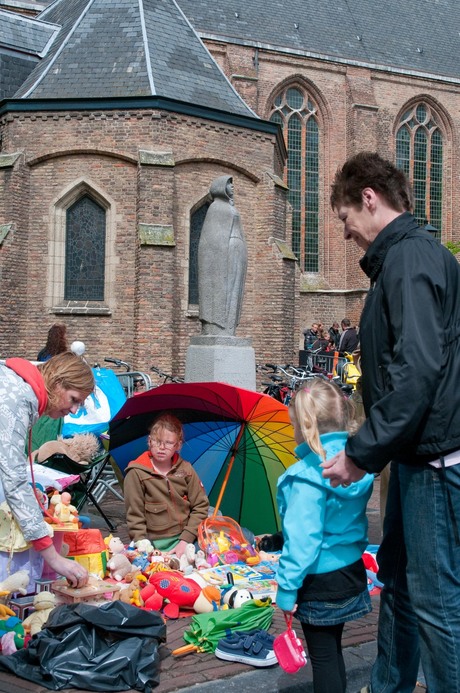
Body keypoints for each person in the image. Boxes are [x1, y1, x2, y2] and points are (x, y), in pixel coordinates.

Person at [322, 151, 460, 693]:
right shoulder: (404, 261)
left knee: (436, 601)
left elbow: (418, 370)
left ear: (369, 199)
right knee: (400, 584)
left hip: (431, 459)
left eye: (345, 218)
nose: (346, 232)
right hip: (412, 455)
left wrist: (360, 452)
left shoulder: (408, 260)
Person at [276, 379, 374, 693]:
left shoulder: (306, 476)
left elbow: (304, 541)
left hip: (320, 579)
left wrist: (287, 588)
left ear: (303, 426)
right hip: (350, 570)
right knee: (333, 650)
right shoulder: (357, 465)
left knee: (323, 657)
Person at [0, 352, 94, 587]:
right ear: (58, 383)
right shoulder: (19, 398)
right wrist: (53, 557)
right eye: (74, 399)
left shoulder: (18, 386)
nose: (74, 410)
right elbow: (13, 479)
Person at [124, 413, 209, 559]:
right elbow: (134, 515)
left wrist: (186, 539)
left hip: (186, 539)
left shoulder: (186, 470)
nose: (162, 447)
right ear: (149, 441)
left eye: (169, 443)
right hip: (153, 543)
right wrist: (142, 543)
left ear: (178, 445)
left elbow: (201, 506)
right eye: (157, 441)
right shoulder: (137, 472)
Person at [198, 175, 248, 336]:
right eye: (229, 184)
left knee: (233, 290)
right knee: (224, 290)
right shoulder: (216, 208)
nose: (232, 187)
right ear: (221, 187)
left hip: (235, 253)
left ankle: (229, 326)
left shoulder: (230, 207)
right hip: (225, 254)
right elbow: (212, 240)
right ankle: (218, 326)